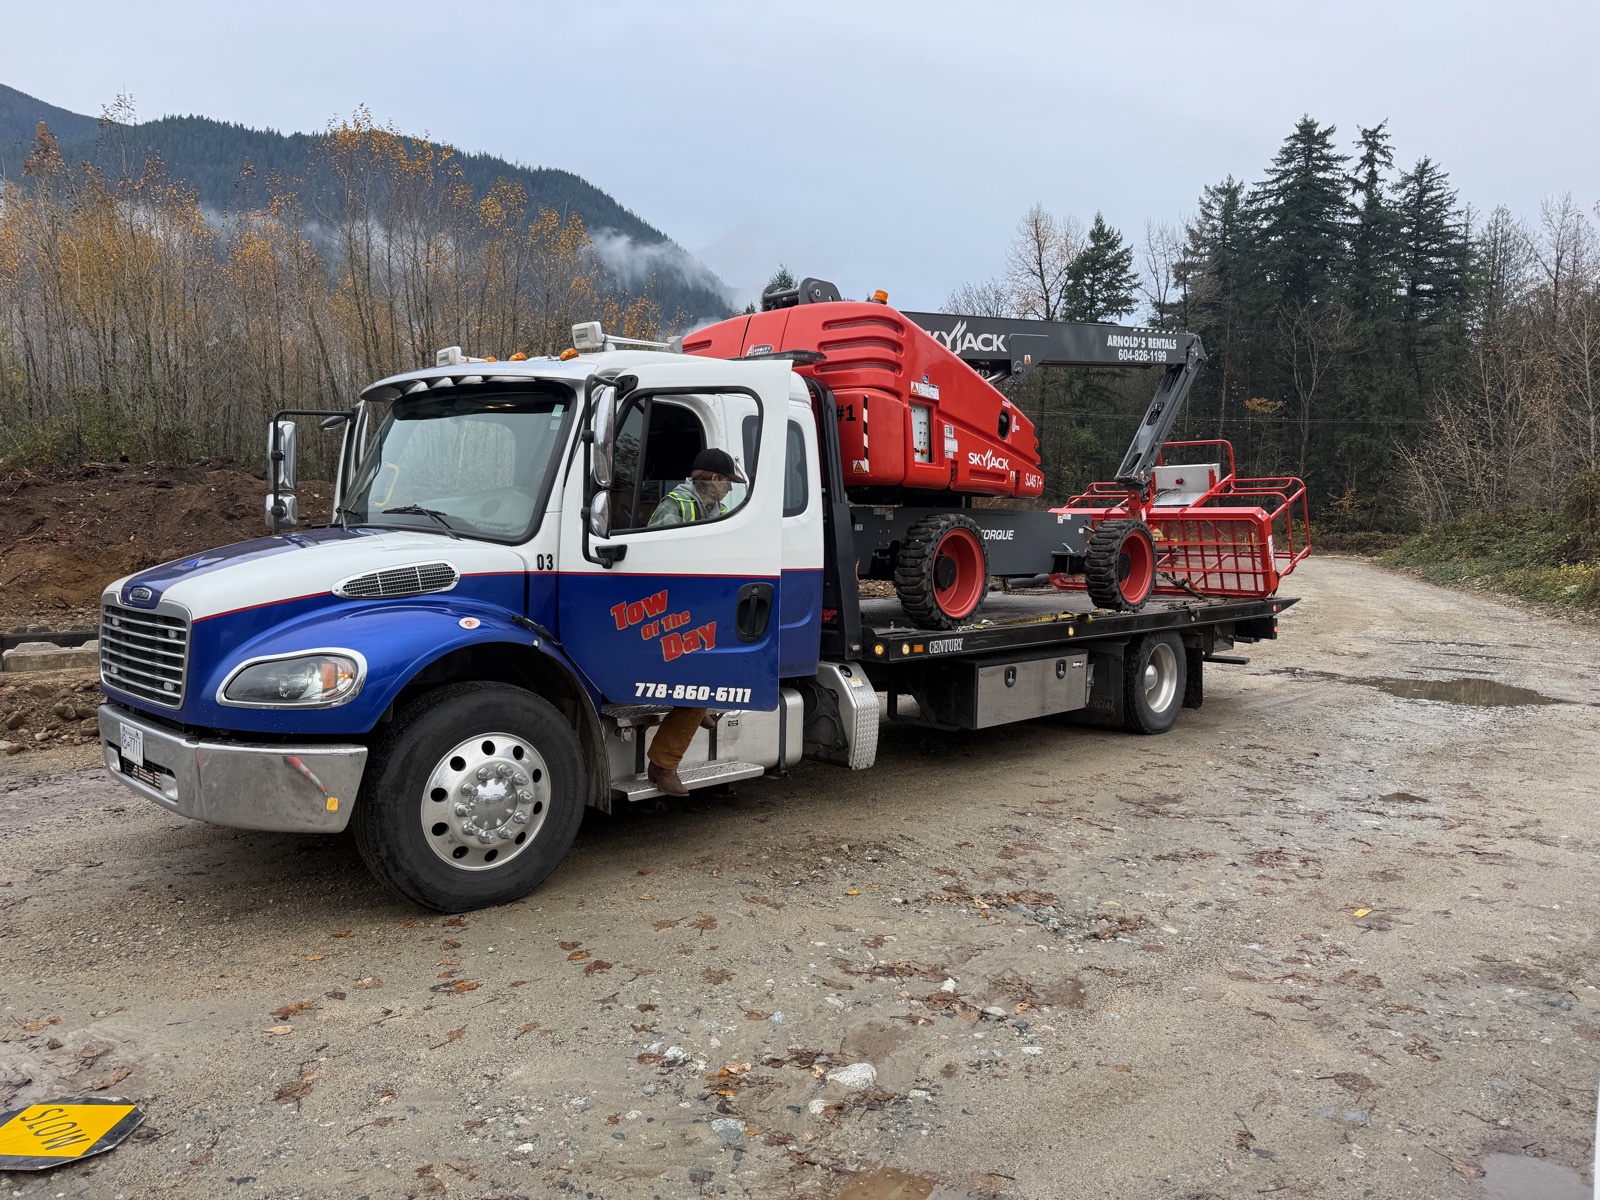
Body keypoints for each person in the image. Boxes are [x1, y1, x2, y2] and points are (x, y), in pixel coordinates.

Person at [645, 447, 745, 796]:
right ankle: (662, 765)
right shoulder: (676, 505)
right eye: (729, 482)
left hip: (699, 609)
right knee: (704, 679)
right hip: (673, 613)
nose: (731, 489)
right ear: (715, 479)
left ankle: (697, 706)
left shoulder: (716, 508)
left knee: (720, 668)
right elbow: (654, 558)